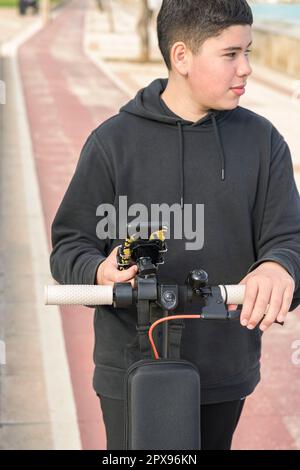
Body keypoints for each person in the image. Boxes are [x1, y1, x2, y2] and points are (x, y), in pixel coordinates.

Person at [50, 0, 300, 450]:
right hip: (131, 370)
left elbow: (289, 238)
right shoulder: (111, 143)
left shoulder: (263, 142)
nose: (246, 68)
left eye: (249, 51)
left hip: (225, 370)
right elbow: (69, 246)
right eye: (230, 54)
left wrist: (278, 267)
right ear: (181, 56)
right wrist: (97, 271)